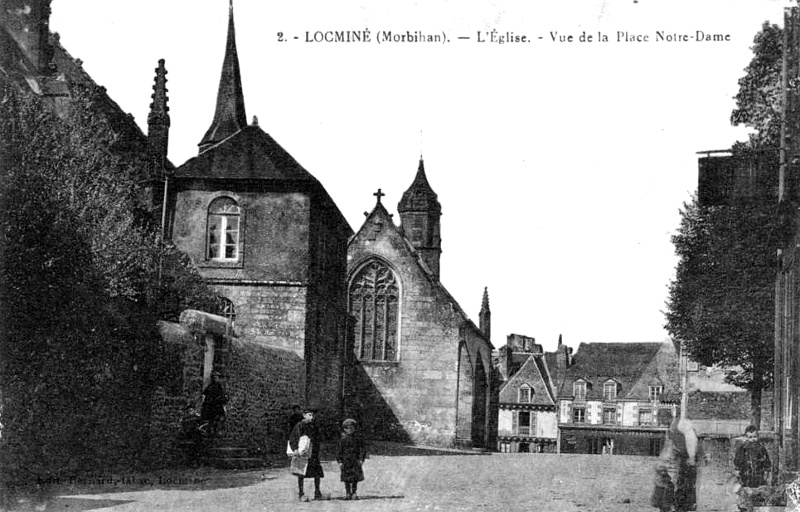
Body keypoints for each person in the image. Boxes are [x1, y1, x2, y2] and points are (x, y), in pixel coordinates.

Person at [652, 413, 699, 512]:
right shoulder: (671, 428)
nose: (661, 423)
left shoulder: (681, 424)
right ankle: (667, 505)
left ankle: (681, 506)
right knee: (666, 480)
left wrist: (691, 457)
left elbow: (692, 439)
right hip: (676, 458)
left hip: (685, 458)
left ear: (667, 418)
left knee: (682, 482)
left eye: (662, 420)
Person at [288, 407, 324, 501]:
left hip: (313, 452)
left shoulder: (314, 426)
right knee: (301, 472)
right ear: (304, 415)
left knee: (317, 473)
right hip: (303, 453)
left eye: (313, 415)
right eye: (310, 415)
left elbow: (318, 437)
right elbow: (293, 438)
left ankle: (317, 492)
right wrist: (295, 449)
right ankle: (301, 493)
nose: (312, 417)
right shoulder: (300, 425)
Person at [734, 425, 771, 509]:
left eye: (754, 437)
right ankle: (744, 507)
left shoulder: (761, 448)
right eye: (750, 437)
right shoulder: (742, 449)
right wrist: (737, 469)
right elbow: (737, 460)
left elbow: (766, 460)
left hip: (758, 475)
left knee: (759, 494)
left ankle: (757, 506)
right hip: (746, 475)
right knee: (745, 493)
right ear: (746, 437)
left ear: (757, 437)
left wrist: (767, 470)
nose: (752, 440)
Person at [337, 418, 367, 500]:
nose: (350, 430)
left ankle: (354, 493)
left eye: (352, 428)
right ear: (344, 429)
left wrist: (361, 459)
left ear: (355, 429)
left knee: (355, 478)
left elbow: (362, 450)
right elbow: (339, 451)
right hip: (345, 461)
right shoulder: (342, 440)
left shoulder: (358, 439)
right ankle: (347, 493)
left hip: (355, 460)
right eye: (347, 428)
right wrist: (339, 461)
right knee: (346, 478)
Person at [200, 371, 228, 436]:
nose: (214, 379)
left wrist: (220, 401)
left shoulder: (220, 387)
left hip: (217, 406)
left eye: (216, 377)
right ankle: (209, 431)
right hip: (210, 406)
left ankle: (217, 431)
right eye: (213, 377)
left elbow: (223, 396)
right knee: (209, 420)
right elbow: (204, 393)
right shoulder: (210, 386)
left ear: (218, 378)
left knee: (218, 419)